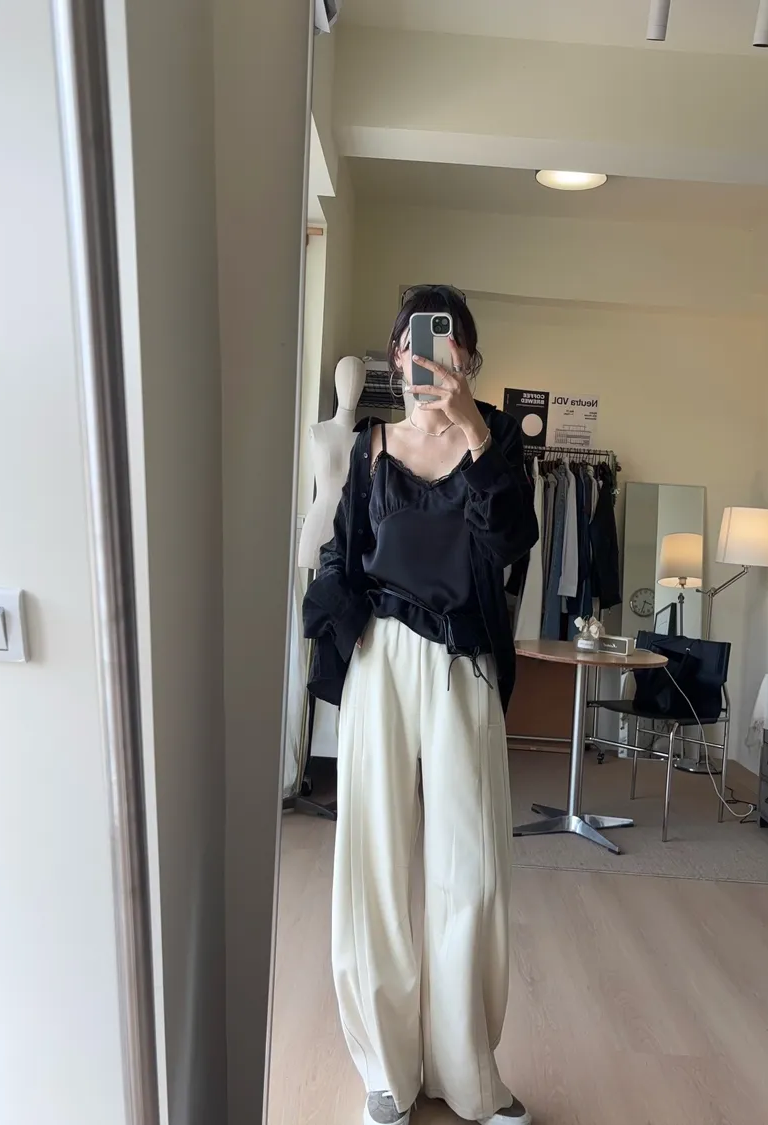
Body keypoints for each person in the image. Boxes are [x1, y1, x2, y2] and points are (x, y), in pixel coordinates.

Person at [303, 285, 539, 1125]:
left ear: (466, 358)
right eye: (413, 342)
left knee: (470, 867)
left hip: (461, 662)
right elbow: (344, 555)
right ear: (397, 355)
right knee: (373, 860)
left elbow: (511, 542)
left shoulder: (496, 442)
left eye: (447, 343)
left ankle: (469, 1074)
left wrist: (473, 430)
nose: (427, 356)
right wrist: (335, 630)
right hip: (382, 660)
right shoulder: (371, 447)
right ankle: (386, 1069)